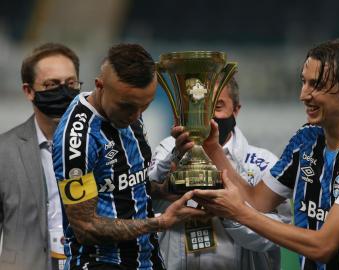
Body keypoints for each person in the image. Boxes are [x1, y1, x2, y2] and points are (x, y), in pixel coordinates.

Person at [176, 40, 339, 269]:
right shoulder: (306, 139)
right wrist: (213, 148)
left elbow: (323, 246)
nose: (304, 95)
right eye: (304, 82)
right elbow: (258, 201)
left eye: (316, 85)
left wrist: (240, 213)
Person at [52, 43, 205, 270]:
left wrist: (169, 185)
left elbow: (130, 186)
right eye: (128, 107)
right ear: (100, 85)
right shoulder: (77, 140)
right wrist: (161, 222)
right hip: (101, 263)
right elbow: (85, 227)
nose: (136, 115)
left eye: (145, 106)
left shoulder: (130, 111)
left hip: (147, 259)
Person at [148, 76, 292, 270]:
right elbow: (142, 202)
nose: (207, 117)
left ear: (236, 110)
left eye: (217, 107)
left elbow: (274, 237)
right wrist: (167, 179)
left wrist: (229, 211)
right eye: (200, 106)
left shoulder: (264, 163)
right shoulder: (168, 149)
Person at [0, 43, 81, 270]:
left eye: (71, 83)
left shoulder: (99, 144)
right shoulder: (4, 152)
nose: (64, 92)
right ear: (28, 91)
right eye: (51, 84)